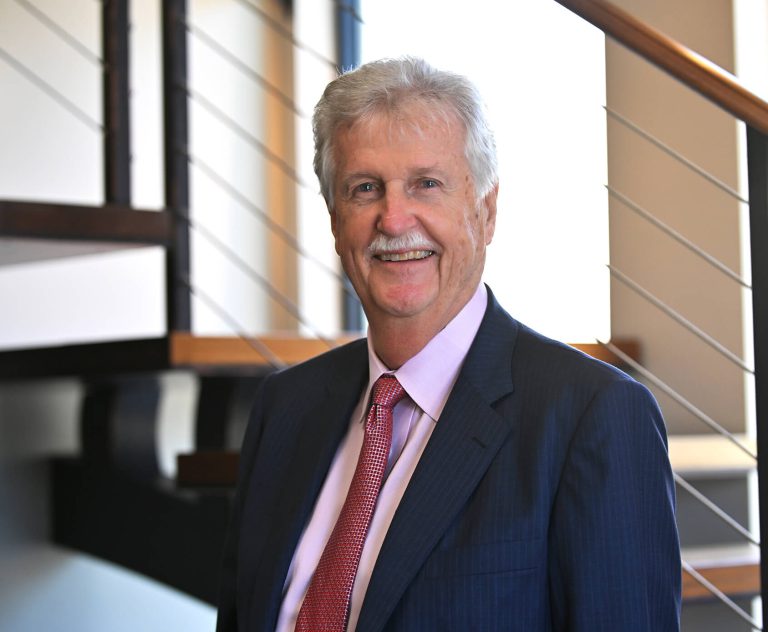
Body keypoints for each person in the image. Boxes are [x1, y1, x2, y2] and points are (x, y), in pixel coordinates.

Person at [216, 56, 681, 631]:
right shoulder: (285, 407)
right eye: (365, 189)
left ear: (486, 213)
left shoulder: (591, 415)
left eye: (426, 184)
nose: (393, 218)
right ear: (336, 222)